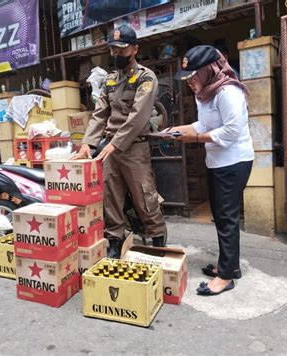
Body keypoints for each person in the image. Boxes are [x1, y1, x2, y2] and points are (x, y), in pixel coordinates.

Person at [73, 25, 166, 258]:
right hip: (109, 149)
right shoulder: (111, 80)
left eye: (122, 50)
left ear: (134, 49)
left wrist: (114, 144)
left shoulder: (146, 77)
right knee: (110, 196)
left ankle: (157, 240)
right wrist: (88, 144)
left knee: (144, 196)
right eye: (113, 50)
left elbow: (139, 117)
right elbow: (99, 113)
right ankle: (115, 239)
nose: (117, 55)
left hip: (134, 147)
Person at [171, 45, 254, 296]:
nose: (189, 82)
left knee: (227, 218)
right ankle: (230, 266)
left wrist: (194, 138)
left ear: (209, 70)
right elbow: (203, 124)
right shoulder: (205, 93)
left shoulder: (228, 92)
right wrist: (180, 129)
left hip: (234, 162)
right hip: (217, 162)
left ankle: (226, 277)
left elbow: (230, 132)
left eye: (193, 76)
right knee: (220, 216)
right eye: (186, 78)